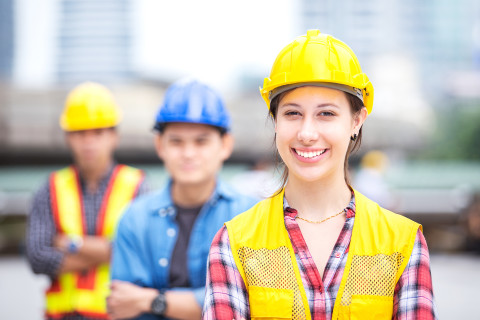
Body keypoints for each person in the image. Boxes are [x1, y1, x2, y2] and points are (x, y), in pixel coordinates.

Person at [203, 30, 436, 319]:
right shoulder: (234, 243)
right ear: (275, 121)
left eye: (326, 113)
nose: (307, 133)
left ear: (356, 120)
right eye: (292, 113)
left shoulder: (403, 243)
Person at [107, 78, 257, 320]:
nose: (188, 154)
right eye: (176, 141)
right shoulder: (134, 219)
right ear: (160, 145)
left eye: (201, 141)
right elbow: (123, 305)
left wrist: (151, 301)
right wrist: (206, 299)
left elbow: (250, 302)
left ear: (225, 145)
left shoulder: (251, 216)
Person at [26, 82, 147, 320]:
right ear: (68, 137)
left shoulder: (137, 186)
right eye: (81, 133)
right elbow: (38, 258)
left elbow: (140, 252)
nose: (89, 142)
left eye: (98, 133)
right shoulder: (49, 189)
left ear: (115, 136)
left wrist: (72, 244)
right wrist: (107, 250)